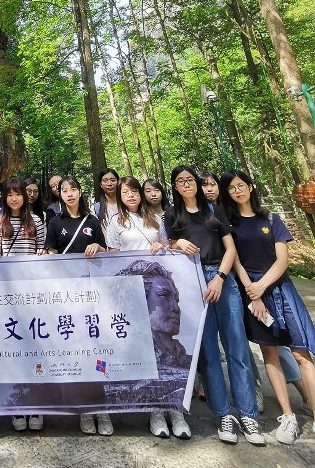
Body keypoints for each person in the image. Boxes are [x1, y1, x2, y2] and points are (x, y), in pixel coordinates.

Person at [164, 165, 265, 446]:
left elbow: (230, 248)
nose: (186, 184)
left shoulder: (213, 210)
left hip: (222, 279)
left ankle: (248, 414)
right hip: (192, 284)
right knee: (208, 352)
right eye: (180, 181)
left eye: (189, 179)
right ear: (175, 186)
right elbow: (167, 246)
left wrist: (220, 278)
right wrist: (177, 243)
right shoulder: (172, 215)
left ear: (197, 183)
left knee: (237, 347)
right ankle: (223, 414)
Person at [220, 169, 315, 444]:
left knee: (301, 354)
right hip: (253, 293)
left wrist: (262, 286)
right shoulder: (230, 223)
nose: (237, 191)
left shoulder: (271, 219)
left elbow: (283, 259)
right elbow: (235, 260)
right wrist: (254, 294)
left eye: (241, 185)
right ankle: (288, 415)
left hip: (281, 289)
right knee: (269, 353)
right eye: (231, 188)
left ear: (250, 187)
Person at [106, 177, 190, 440]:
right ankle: (155, 412)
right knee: (144, 348)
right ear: (120, 197)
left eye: (134, 191)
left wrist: (162, 246)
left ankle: (176, 412)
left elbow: (167, 247)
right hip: (134, 289)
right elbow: (113, 256)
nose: (130, 196)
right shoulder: (115, 222)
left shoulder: (154, 218)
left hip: (159, 280)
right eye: (125, 193)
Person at [45, 176, 108, 435]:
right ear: (59, 195)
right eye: (64, 190)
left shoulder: (92, 221)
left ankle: (103, 409)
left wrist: (97, 246)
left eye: (73, 189)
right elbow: (50, 254)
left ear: (80, 192)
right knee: (77, 348)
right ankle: (84, 408)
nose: (69, 194)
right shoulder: (55, 222)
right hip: (67, 296)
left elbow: (106, 251)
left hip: (93, 294)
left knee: (97, 348)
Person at [0, 178, 46, 432]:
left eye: (18, 194)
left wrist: (41, 254)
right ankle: (17, 406)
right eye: (10, 195)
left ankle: (36, 405)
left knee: (33, 348)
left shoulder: (35, 221)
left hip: (32, 293)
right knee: (13, 349)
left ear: (25, 196)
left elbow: (42, 251)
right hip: (8, 294)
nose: (14, 199)